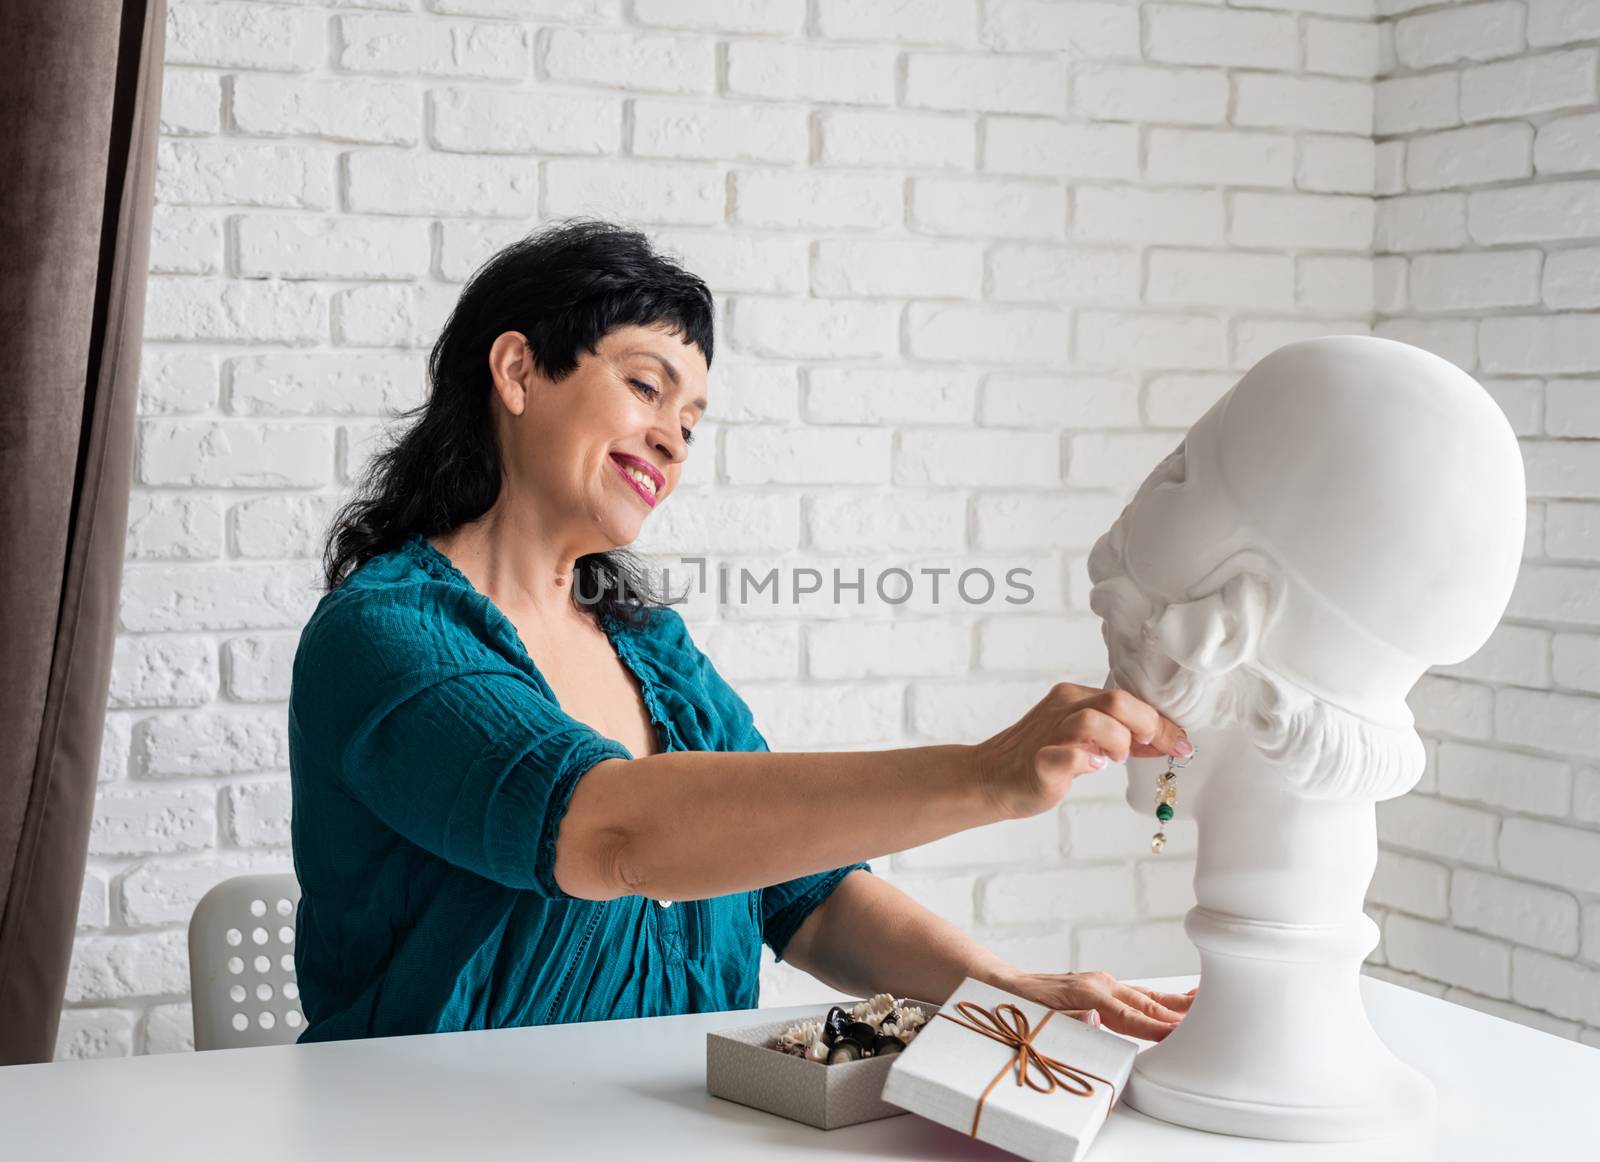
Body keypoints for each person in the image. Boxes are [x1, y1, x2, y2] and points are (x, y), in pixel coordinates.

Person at [287, 219, 1196, 1046]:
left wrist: (1006, 989)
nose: (675, 442)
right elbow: (614, 834)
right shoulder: (385, 636)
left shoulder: (653, 652)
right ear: (519, 371)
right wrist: (985, 774)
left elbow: (809, 898)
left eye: (690, 421)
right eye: (647, 387)